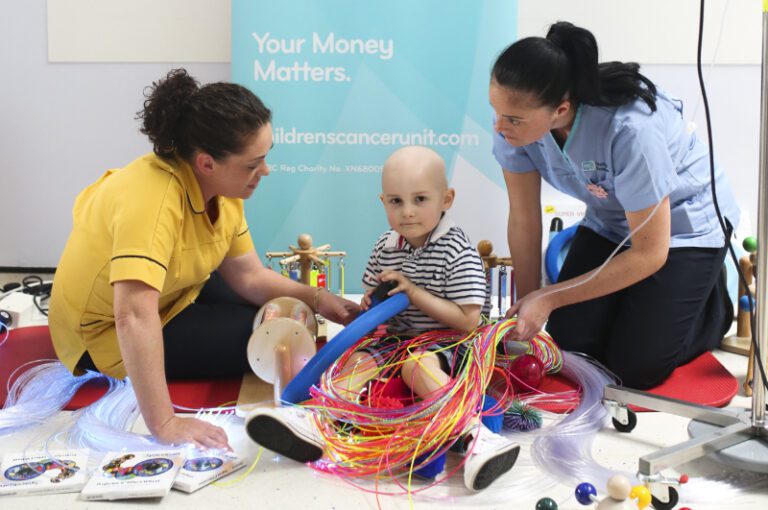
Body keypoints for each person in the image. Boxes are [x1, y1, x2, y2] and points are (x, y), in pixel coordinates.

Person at [48, 69, 360, 450]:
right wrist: (164, 422)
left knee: (283, 315)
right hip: (106, 331)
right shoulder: (152, 199)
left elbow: (248, 276)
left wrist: (318, 299)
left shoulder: (224, 189)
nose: (265, 170)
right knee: (268, 339)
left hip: (176, 290)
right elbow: (132, 314)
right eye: (252, 164)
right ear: (206, 162)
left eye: (266, 157)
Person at [245, 146, 520, 492]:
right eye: (395, 201)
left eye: (420, 199)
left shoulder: (456, 249)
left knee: (415, 366)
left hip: (447, 341)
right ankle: (318, 420)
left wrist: (414, 293)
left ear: (446, 199)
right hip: (396, 338)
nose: (407, 212)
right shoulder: (384, 246)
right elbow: (377, 303)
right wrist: (371, 305)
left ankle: (476, 436)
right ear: (383, 202)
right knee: (357, 360)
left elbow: (467, 320)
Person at [489, 22, 739, 389]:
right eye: (496, 110)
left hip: (685, 228)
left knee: (635, 367)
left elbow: (650, 254)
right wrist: (527, 312)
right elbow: (525, 217)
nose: (498, 126)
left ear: (560, 110)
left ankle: (711, 307)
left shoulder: (630, 131)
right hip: (612, 222)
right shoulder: (515, 118)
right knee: (570, 347)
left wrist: (551, 296)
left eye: (511, 119)